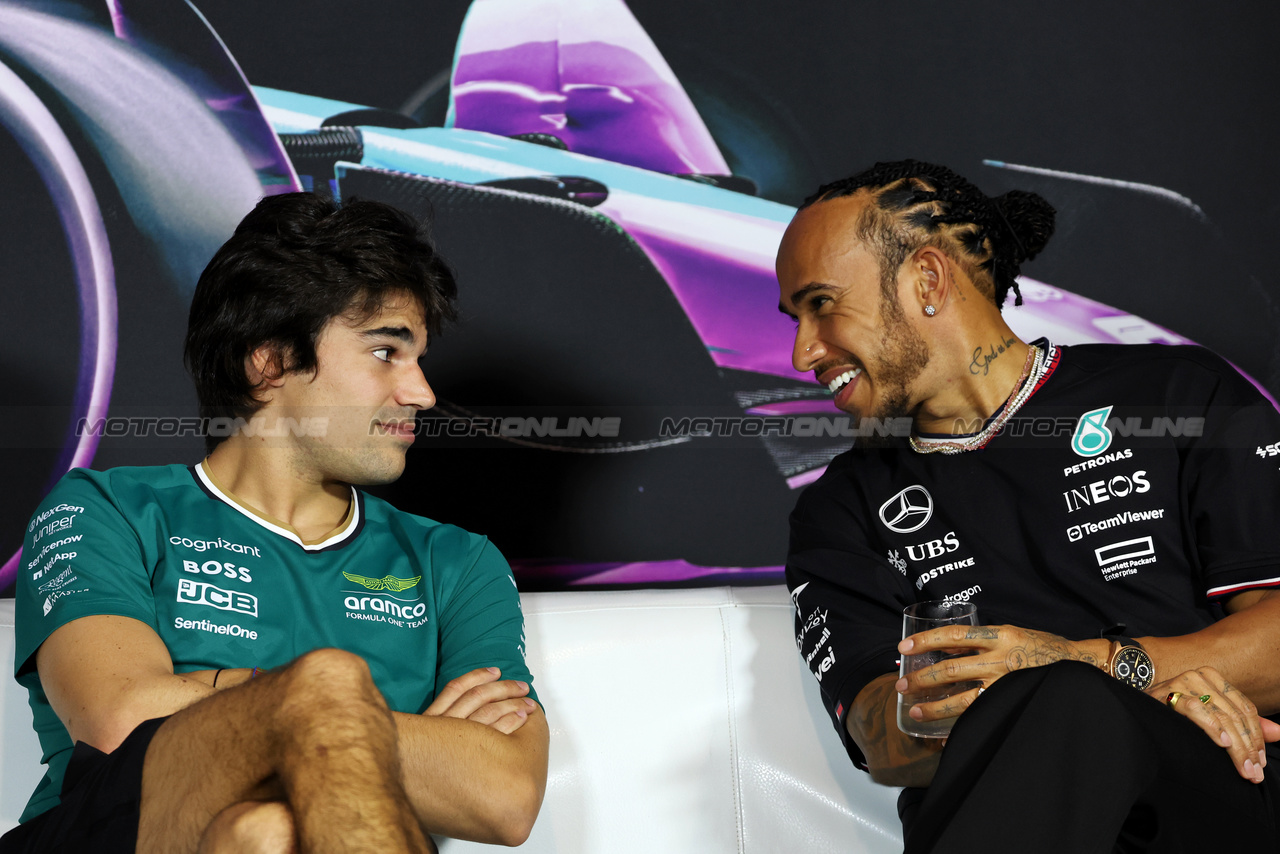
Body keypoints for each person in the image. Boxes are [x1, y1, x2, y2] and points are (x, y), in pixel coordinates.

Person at [2, 193, 548, 853]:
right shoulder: (106, 509)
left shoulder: (456, 562)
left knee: (266, 833)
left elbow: (506, 797)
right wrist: (348, 715)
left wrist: (263, 706)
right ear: (270, 363)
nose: (422, 393)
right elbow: (121, 718)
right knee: (325, 688)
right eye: (385, 353)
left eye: (419, 358)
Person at [778, 160, 1280, 852]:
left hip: (1207, 803)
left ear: (926, 279)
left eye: (822, 304)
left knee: (1073, 699)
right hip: (1003, 814)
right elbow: (881, 736)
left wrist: (1091, 673)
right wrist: (1075, 698)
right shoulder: (839, 509)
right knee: (1066, 705)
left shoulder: (1176, 397)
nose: (803, 351)